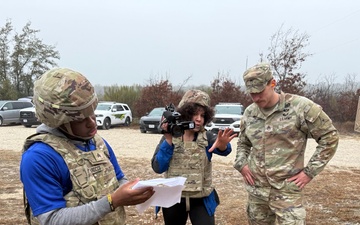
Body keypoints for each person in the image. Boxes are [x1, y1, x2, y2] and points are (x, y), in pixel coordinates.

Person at [20, 68, 155, 225]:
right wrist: (112, 201)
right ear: (58, 121)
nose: (92, 122)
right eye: (80, 119)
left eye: (92, 113)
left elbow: (118, 179)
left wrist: (133, 190)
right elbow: (52, 219)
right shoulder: (39, 158)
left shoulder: (98, 143)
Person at [234, 62, 339, 224]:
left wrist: (309, 172)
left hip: (287, 192)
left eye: (260, 92)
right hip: (257, 193)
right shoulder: (250, 112)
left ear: (272, 83)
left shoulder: (300, 107)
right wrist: (241, 163)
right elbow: (243, 143)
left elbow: (329, 137)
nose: (256, 98)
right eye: (251, 94)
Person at [151, 89, 237, 225]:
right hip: (174, 200)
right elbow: (158, 167)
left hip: (201, 200)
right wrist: (168, 140)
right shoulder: (170, 137)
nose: (198, 119)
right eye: (194, 114)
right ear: (184, 113)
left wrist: (222, 145)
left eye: (202, 116)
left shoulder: (206, 137)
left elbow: (224, 149)